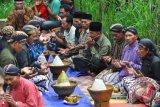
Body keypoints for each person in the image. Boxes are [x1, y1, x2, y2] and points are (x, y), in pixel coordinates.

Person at [120, 39, 160, 105]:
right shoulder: (144, 58)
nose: (138, 51)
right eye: (138, 48)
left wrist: (146, 83)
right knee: (125, 80)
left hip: (153, 87)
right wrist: (134, 73)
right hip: (144, 83)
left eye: (140, 49)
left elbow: (158, 81)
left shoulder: (156, 62)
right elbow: (142, 76)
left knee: (137, 91)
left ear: (147, 50)